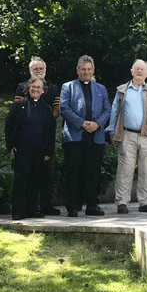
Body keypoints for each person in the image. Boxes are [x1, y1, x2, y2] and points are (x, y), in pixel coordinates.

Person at [106, 60, 147, 214]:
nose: (140, 71)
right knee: (125, 170)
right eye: (137, 69)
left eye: (143, 69)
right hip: (127, 134)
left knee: (146, 170)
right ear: (132, 71)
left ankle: (144, 201)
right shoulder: (122, 90)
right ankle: (122, 202)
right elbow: (115, 112)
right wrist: (111, 131)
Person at [60, 55, 110, 217]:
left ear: (93, 70)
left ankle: (92, 206)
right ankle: (72, 207)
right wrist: (82, 123)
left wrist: (96, 124)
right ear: (78, 71)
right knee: (73, 172)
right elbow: (64, 108)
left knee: (93, 172)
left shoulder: (101, 89)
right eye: (83, 69)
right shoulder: (68, 87)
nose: (86, 72)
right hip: (75, 136)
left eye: (89, 69)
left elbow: (107, 110)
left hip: (96, 136)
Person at [13, 56, 61, 215]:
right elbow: (15, 113)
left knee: (47, 174)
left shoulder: (53, 88)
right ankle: (25, 208)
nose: (38, 71)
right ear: (30, 71)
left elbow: (56, 108)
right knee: (25, 175)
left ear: (45, 70)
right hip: (25, 140)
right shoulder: (22, 87)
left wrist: (46, 118)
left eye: (41, 69)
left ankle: (46, 205)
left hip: (45, 135)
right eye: (35, 69)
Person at [5, 78, 56, 220]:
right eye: (33, 87)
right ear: (28, 88)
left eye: (38, 87)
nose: (35, 89)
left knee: (36, 180)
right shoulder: (19, 106)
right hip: (22, 150)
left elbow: (51, 132)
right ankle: (18, 211)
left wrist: (48, 152)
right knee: (21, 180)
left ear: (43, 91)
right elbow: (8, 126)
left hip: (40, 151)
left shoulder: (46, 109)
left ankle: (33, 209)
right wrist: (10, 147)